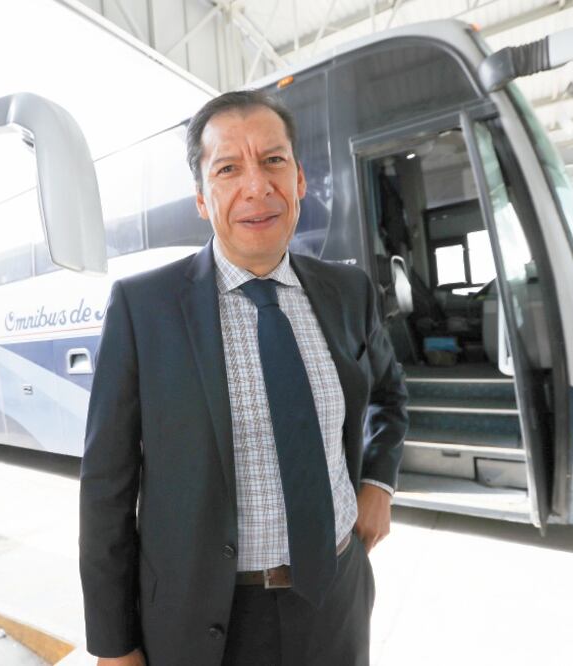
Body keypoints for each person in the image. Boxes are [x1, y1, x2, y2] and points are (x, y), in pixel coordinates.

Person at [79, 91, 408, 666]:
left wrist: (379, 482)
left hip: (335, 598)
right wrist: (114, 647)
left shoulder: (348, 292)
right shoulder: (143, 308)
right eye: (228, 168)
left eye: (273, 161)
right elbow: (107, 491)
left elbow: (387, 394)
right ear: (203, 199)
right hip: (205, 624)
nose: (256, 187)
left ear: (300, 180)